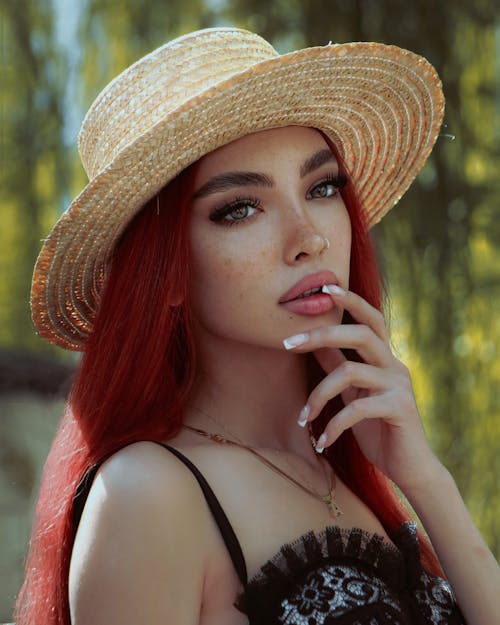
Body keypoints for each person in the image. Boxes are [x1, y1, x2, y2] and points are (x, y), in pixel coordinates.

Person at [16, 27, 498, 625]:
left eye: (322, 188)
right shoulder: (147, 495)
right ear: (164, 273)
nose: (309, 238)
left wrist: (425, 479)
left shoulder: (350, 473)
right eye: (240, 208)